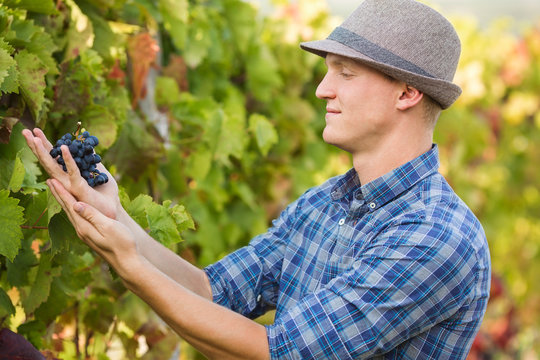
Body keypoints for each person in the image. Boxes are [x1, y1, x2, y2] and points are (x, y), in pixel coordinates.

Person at [23, 0, 491, 358]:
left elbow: (276, 352)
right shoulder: (324, 202)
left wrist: (128, 263)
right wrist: (119, 218)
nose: (322, 89)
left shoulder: (434, 235)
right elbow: (213, 293)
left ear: (407, 93)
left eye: (345, 73)